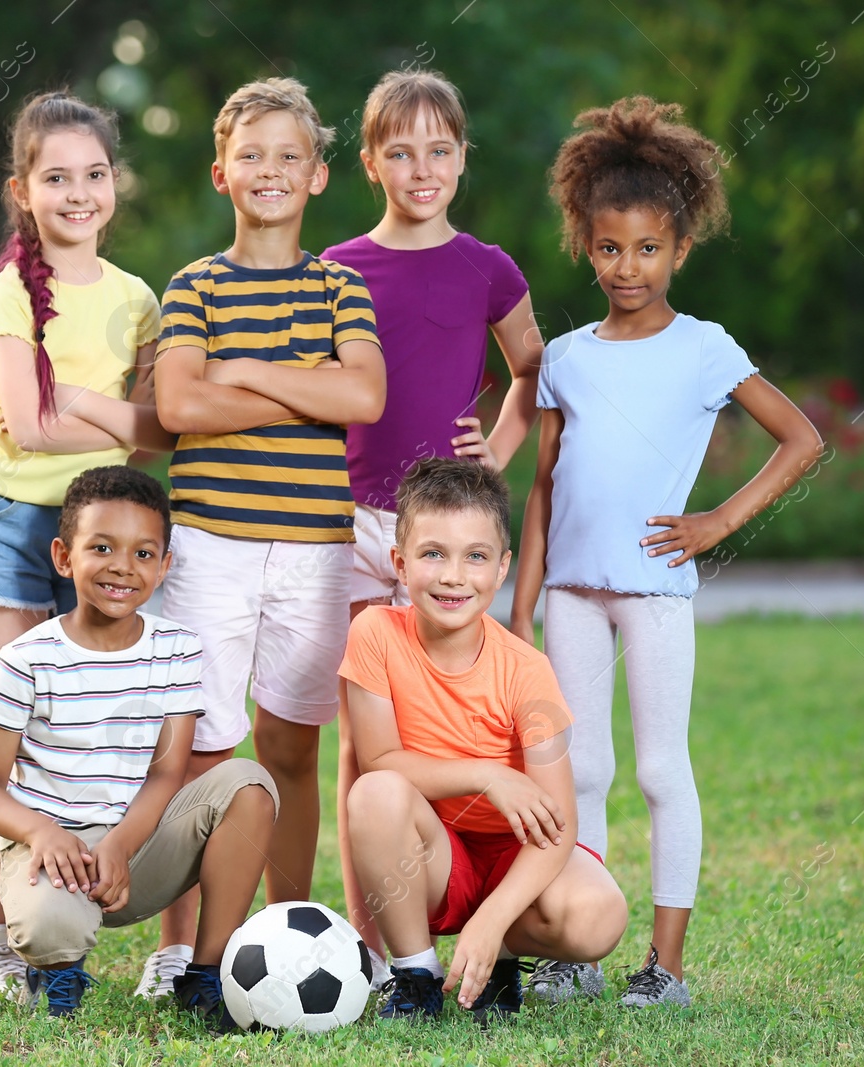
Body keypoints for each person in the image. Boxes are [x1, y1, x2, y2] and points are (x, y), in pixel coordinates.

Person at [509, 96, 825, 1007]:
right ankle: (580, 950)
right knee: (582, 767)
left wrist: (716, 523)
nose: (628, 267)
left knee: (658, 768)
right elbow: (543, 488)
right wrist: (520, 607)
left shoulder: (703, 349)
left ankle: (668, 968)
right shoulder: (565, 357)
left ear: (680, 249)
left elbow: (801, 439)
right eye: (610, 248)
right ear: (585, 241)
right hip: (568, 591)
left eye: (649, 249)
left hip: (654, 589)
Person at [141, 77, 387, 998]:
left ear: (320, 175)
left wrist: (236, 373)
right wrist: (293, 376)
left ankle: (293, 940)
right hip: (211, 540)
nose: (271, 170)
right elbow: (176, 404)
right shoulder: (195, 284)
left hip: (315, 548)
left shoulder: (340, 285)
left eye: (290, 155)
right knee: (202, 747)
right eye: (253, 154)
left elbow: (363, 395)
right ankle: (181, 950)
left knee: (290, 749)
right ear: (221, 172)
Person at [0, 90, 175, 1003]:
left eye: (94, 174)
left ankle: (98, 913)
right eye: (56, 177)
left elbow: (163, 433)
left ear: (115, 182)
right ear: (21, 189)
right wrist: (112, 421)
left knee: (99, 730)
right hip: (10, 523)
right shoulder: (8, 288)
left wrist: (98, 415)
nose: (78, 192)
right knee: (9, 736)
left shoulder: (139, 297)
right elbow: (32, 431)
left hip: (102, 527)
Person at [319, 69, 543, 982]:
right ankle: (366, 944)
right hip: (353, 529)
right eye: (401, 151)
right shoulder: (337, 267)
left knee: (452, 727)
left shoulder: (488, 268)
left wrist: (495, 450)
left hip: (443, 537)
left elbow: (532, 370)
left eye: (440, 151)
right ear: (370, 160)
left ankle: (454, 898)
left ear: (461, 159)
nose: (422, 167)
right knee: (360, 741)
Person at [0, 465, 276, 1031]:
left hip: (140, 846)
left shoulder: (177, 649)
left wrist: (121, 844)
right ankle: (57, 971)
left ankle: (204, 976)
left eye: (143, 553)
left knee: (249, 784)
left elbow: (167, 773)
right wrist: (40, 832)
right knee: (48, 927)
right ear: (64, 556)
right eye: (101, 547)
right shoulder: (24, 659)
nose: (122, 568)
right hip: (53, 853)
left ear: (164, 565)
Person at [343, 458, 628, 1020]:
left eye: (475, 556)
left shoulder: (528, 670)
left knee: (599, 915)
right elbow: (379, 759)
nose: (453, 576)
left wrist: (491, 922)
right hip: (432, 854)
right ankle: (416, 976)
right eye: (433, 554)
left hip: (514, 852)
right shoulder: (374, 632)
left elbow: (559, 824)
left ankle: (495, 958)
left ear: (501, 570)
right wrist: (488, 772)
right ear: (400, 564)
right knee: (374, 792)